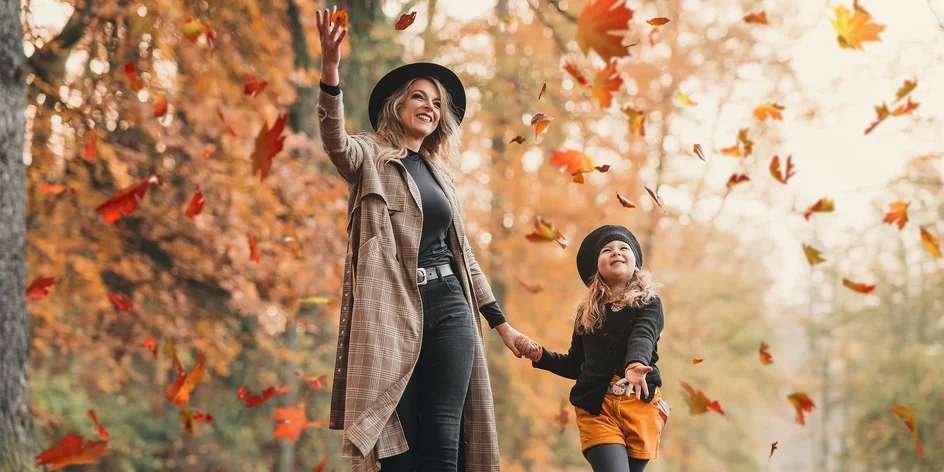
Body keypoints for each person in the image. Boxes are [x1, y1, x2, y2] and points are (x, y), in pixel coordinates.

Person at [315, 8, 538, 472]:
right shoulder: (370, 158)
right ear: (397, 105)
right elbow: (334, 140)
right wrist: (331, 69)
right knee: (392, 439)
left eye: (436, 104)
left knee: (444, 437)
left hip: (451, 305)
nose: (430, 107)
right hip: (392, 309)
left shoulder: (441, 178)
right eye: (419, 97)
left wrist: (503, 326)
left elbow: (465, 257)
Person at [518, 224, 670, 472]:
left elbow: (643, 335)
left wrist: (634, 366)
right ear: (596, 266)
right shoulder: (586, 313)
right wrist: (539, 355)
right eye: (607, 250)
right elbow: (575, 364)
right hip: (597, 409)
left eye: (623, 248)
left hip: (639, 405)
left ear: (635, 263)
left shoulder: (649, 303)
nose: (616, 252)